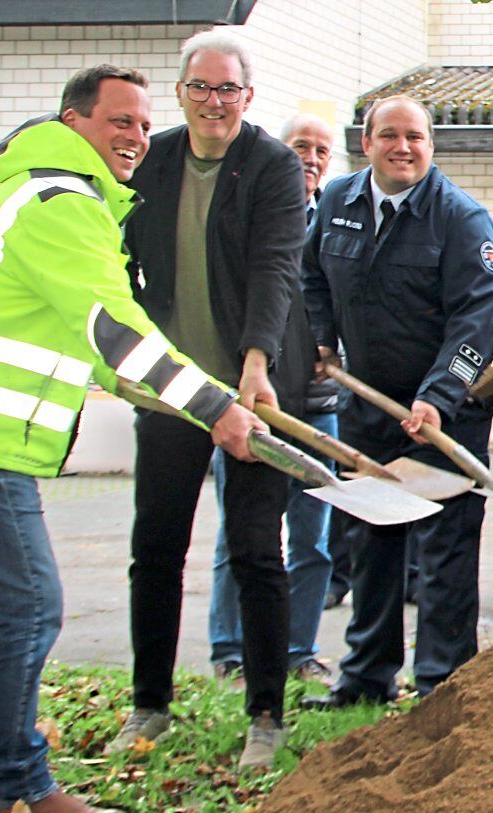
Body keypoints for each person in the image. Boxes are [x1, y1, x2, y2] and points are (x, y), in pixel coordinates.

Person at [0, 63, 267, 813]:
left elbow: (72, 335)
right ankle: (21, 783)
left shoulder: (29, 190)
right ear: (74, 121)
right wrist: (214, 404)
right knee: (27, 608)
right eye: (120, 121)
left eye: (145, 126)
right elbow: (115, 331)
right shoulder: (58, 202)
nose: (138, 138)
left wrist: (140, 381)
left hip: (1, 449)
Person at [110, 32, 305, 770]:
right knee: (155, 546)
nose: (215, 102)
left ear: (247, 97)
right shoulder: (149, 160)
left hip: (252, 389)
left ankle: (265, 715)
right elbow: (114, 253)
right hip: (168, 390)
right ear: (182, 91)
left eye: (228, 90)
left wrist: (256, 362)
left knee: (257, 550)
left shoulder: (273, 165)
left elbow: (276, 265)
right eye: (202, 88)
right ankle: (149, 704)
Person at [299, 95, 493, 708]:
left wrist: (438, 397)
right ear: (368, 143)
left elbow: (478, 321)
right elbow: (311, 278)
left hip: (449, 413)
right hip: (369, 406)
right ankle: (367, 676)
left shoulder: (461, 219)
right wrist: (318, 337)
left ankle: (442, 682)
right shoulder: (337, 203)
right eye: (389, 135)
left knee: (444, 549)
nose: (403, 147)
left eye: (415, 136)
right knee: (372, 540)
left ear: (430, 145)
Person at [206, 113, 343, 689]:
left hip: (317, 400)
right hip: (253, 400)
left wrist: (333, 346)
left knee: (313, 535)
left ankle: (298, 648)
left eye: (321, 150)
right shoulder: (255, 216)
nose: (310, 158)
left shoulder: (338, 225)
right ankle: (230, 648)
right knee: (245, 529)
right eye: (300, 147)